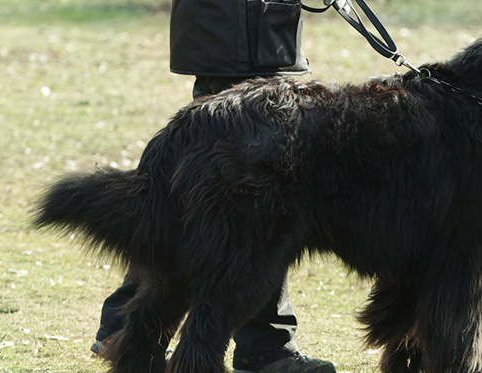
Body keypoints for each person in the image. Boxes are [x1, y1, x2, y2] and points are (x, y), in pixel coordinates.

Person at [91, 1, 335, 372]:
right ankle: (265, 349)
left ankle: (125, 327)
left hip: (257, 36)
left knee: (220, 210)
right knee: (254, 212)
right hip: (237, 39)